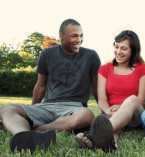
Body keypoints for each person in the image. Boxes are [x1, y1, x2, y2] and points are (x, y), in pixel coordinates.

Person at [0, 19, 101, 152]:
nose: (79, 39)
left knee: (87, 115)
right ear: (61, 36)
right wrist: (31, 110)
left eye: (81, 35)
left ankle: (37, 131)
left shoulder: (91, 56)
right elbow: (40, 85)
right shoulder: (46, 54)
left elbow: (96, 88)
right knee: (7, 108)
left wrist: (105, 112)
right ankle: (22, 135)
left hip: (74, 108)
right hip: (47, 106)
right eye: (74, 35)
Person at [74, 30, 145, 153]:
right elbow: (102, 100)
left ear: (133, 50)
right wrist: (109, 112)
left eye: (124, 49)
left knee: (131, 99)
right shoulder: (105, 69)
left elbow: (141, 100)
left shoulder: (143, 68)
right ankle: (111, 144)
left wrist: (122, 108)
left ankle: (92, 135)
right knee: (113, 126)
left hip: (135, 116)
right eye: (116, 47)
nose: (118, 52)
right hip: (111, 114)